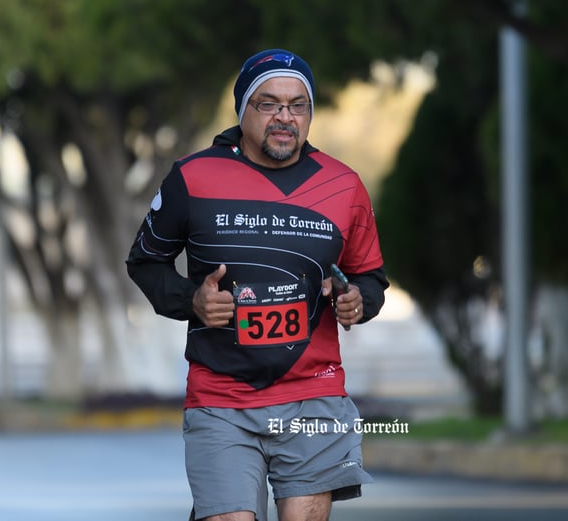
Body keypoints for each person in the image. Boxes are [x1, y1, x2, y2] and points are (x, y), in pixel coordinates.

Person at [126, 49, 389, 521]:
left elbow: (369, 277)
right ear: (242, 109)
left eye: (297, 105)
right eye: (268, 104)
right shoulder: (193, 176)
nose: (284, 117)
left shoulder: (343, 185)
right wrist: (194, 301)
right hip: (221, 397)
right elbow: (145, 262)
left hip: (314, 395)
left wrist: (357, 300)